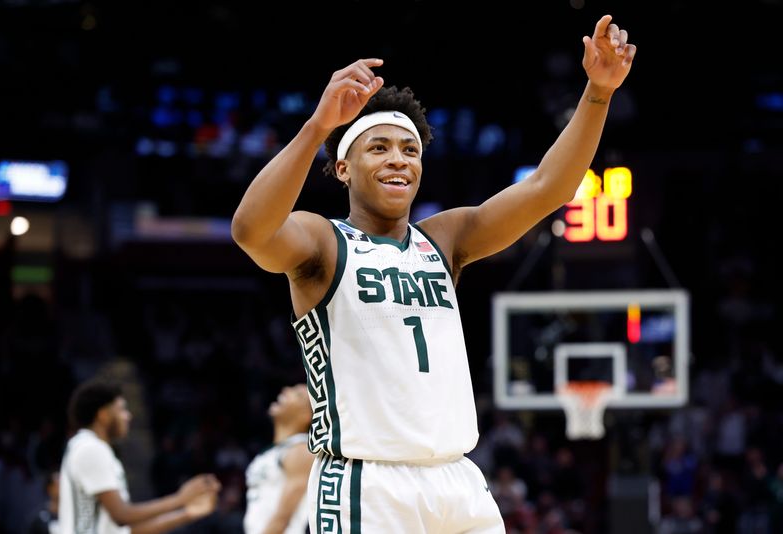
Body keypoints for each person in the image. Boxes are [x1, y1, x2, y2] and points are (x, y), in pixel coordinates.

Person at [231, 14, 635, 533]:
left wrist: (598, 94)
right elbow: (251, 230)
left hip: (458, 481)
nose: (398, 160)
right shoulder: (322, 242)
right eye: (378, 148)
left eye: (410, 150)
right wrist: (318, 129)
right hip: (367, 483)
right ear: (344, 168)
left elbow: (546, 190)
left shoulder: (443, 239)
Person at [58, 379, 221, 534]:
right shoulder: (91, 448)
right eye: (121, 409)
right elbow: (122, 516)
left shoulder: (90, 447)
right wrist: (179, 499)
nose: (128, 416)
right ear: (103, 414)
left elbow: (124, 531)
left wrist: (187, 513)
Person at [244, 383, 313, 534]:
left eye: (297, 394)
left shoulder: (300, 450)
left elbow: (283, 517)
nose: (286, 390)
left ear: (306, 415)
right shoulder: (276, 450)